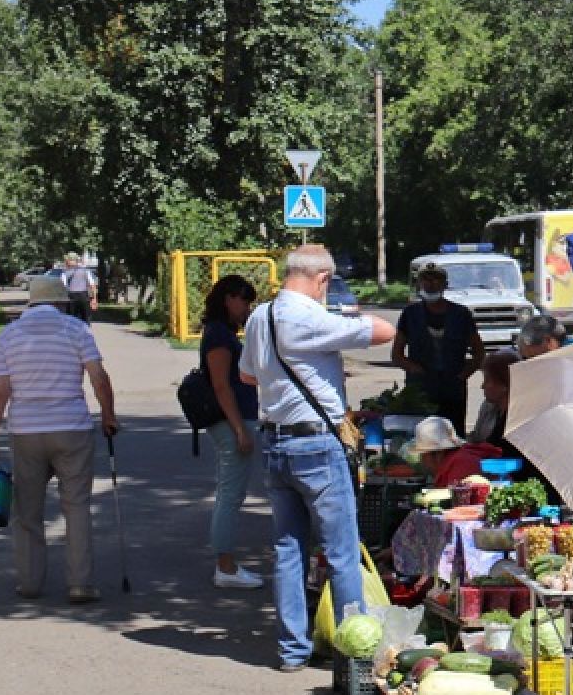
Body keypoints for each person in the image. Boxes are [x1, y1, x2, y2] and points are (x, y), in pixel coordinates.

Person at [239, 244, 396, 671]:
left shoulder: (260, 316)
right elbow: (384, 330)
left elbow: (247, 374)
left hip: (275, 443)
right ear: (323, 279)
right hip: (316, 446)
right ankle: (353, 656)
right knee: (341, 552)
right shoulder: (310, 318)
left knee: (288, 550)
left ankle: (292, 650)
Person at [0, 274, 119, 605]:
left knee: (27, 511)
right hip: (72, 428)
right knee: (77, 507)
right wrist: (109, 416)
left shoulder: (9, 335)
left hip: (26, 431)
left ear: (31, 302)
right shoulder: (76, 330)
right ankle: (80, 583)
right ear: (60, 302)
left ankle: (29, 582)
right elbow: (99, 377)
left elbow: (0, 391)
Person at [198, 273, 264, 590]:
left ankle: (226, 564)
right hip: (230, 422)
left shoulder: (223, 333)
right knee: (230, 495)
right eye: (244, 301)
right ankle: (225, 566)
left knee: (230, 493)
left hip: (232, 420)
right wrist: (239, 428)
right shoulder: (218, 337)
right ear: (228, 299)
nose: (247, 308)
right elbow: (222, 385)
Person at [392, 264, 485, 430]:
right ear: (418, 284)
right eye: (425, 279)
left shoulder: (461, 314)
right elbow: (396, 355)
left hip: (453, 391)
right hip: (420, 392)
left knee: (453, 436)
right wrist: (413, 368)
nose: (430, 284)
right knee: (422, 439)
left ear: (445, 285)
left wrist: (463, 375)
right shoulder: (410, 314)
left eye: (436, 279)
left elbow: (479, 353)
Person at [404, 416, 500, 487]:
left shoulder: (462, 464)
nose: (422, 461)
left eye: (423, 455)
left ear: (437, 453)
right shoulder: (453, 462)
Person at [61, 252, 97, 323]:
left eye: (67, 260)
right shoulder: (85, 271)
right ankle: (85, 332)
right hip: (84, 297)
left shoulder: (64, 273)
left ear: (71, 260)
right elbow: (92, 285)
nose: (66, 261)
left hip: (71, 297)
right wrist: (94, 299)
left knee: (72, 320)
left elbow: (63, 288)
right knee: (85, 319)